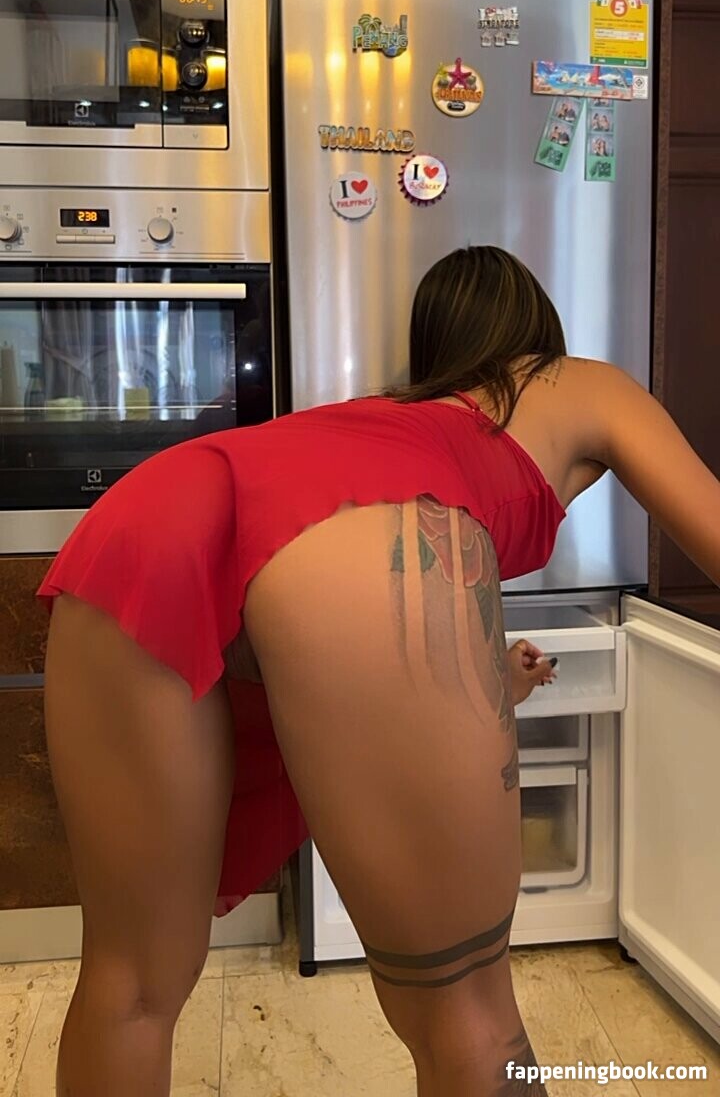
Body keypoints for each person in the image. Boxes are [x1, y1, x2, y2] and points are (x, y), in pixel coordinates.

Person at [39, 245, 720, 1097]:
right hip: (370, 519)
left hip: (144, 513)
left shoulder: (400, 411)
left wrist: (487, 676)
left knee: (129, 988)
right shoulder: (580, 381)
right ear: (537, 326)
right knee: (470, 1017)